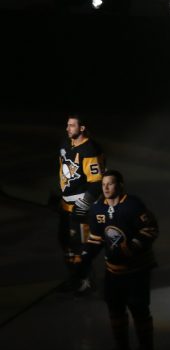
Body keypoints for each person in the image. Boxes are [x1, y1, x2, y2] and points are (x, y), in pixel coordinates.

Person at [83, 170, 159, 350]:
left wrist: (131, 247)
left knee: (139, 308)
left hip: (137, 271)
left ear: (120, 185)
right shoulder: (97, 209)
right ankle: (122, 347)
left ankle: (146, 348)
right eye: (103, 185)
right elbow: (96, 239)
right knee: (115, 309)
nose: (106, 188)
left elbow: (150, 229)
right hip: (113, 272)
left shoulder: (133, 205)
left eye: (110, 184)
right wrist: (85, 258)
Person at [57, 114, 105, 295]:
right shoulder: (65, 144)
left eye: (71, 125)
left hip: (81, 207)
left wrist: (84, 204)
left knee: (81, 245)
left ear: (82, 128)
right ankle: (75, 279)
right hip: (66, 206)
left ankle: (85, 282)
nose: (67, 128)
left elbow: (96, 181)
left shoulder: (90, 150)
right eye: (67, 125)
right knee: (66, 242)